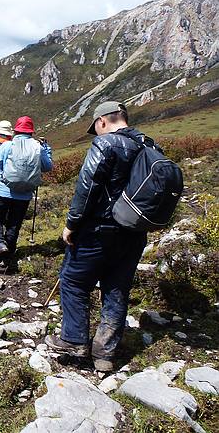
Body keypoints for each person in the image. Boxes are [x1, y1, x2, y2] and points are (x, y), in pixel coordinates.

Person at [45, 102, 154, 372]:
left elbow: (88, 185)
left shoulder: (105, 144)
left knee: (72, 281)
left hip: (100, 230)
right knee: (116, 288)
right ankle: (105, 355)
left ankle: (74, 340)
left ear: (102, 121)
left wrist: (72, 224)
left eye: (95, 127)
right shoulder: (149, 146)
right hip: (135, 232)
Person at [0, 116, 52, 273]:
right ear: (31, 132)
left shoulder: (7, 145)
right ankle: (7, 259)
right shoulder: (38, 147)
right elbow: (47, 167)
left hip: (2, 190)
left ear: (15, 131)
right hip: (24, 195)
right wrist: (47, 149)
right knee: (14, 224)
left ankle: (0, 244)